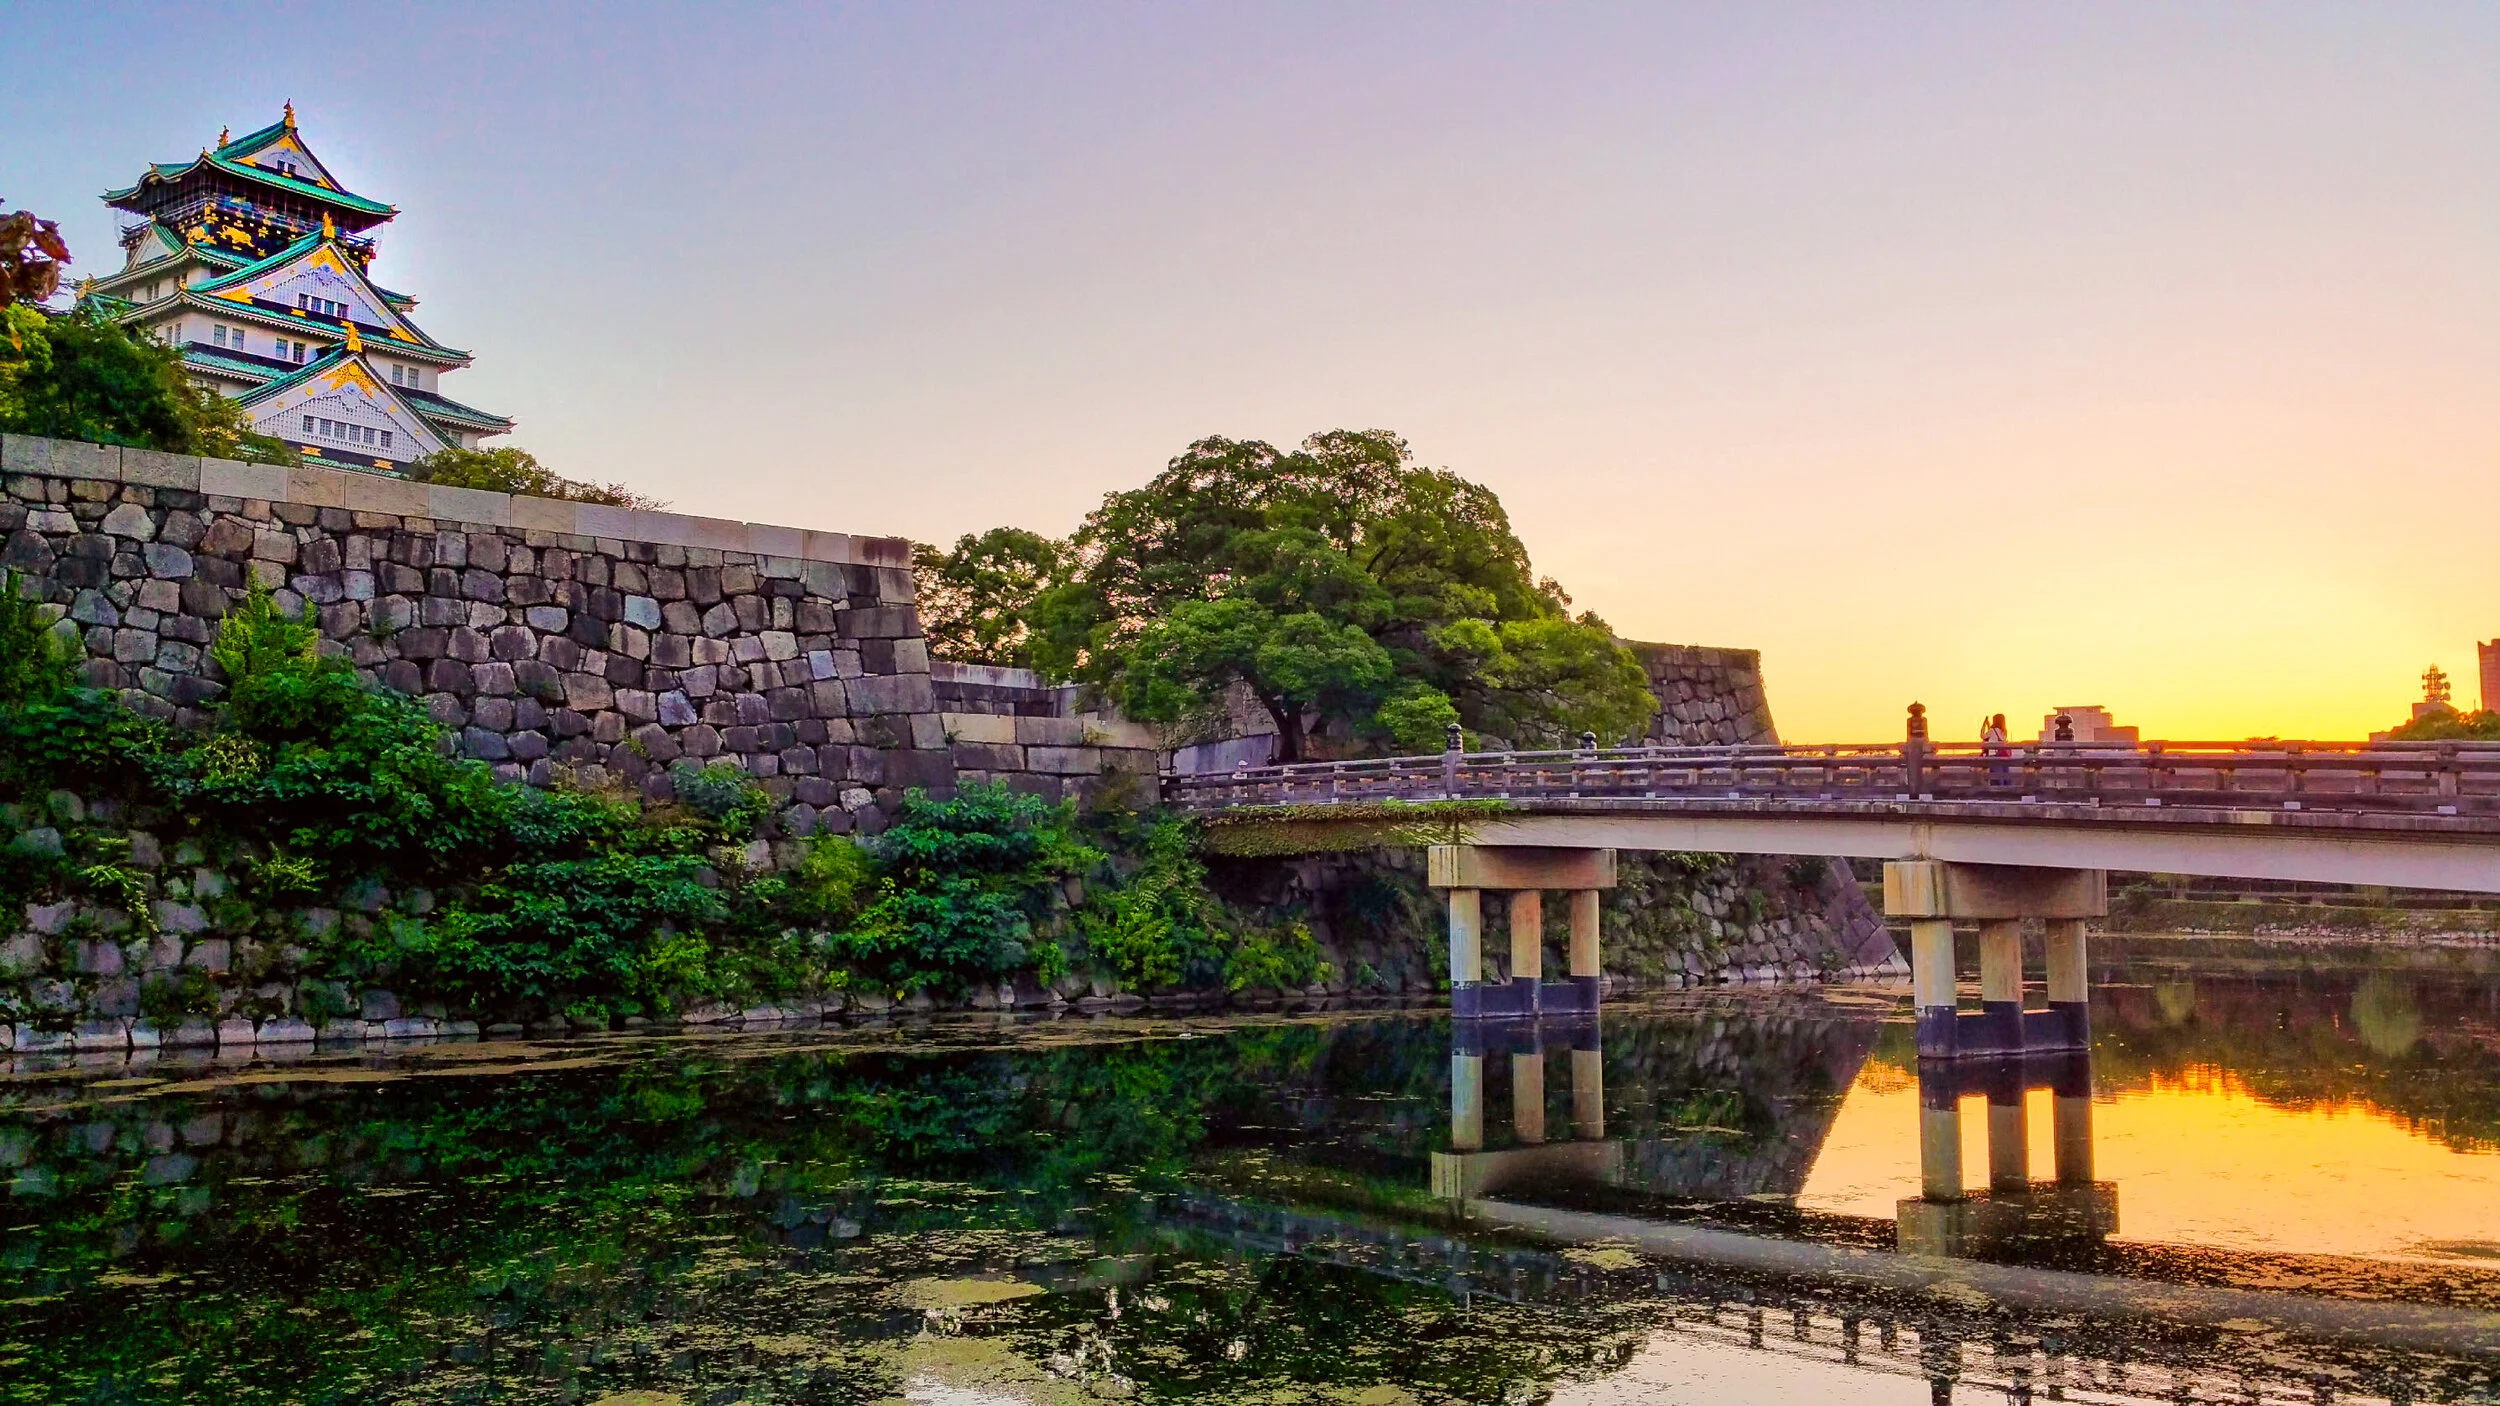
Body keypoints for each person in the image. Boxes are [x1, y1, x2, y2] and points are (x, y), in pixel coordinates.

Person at [1981, 713, 2010, 788]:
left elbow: (1983, 736)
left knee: (1996, 775)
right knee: (2005, 774)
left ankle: (2000, 790)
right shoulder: (2004, 731)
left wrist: (1984, 724)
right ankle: (2007, 790)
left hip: (1994, 755)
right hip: (2003, 755)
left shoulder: (1992, 730)